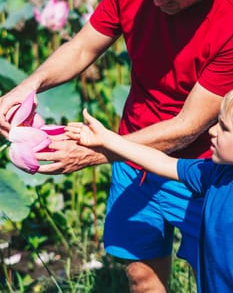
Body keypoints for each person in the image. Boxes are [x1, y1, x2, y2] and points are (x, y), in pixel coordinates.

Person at [0, 0, 233, 291]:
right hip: (130, 145)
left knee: (214, 277)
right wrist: (29, 86)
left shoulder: (230, 17)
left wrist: (98, 150)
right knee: (140, 274)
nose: (155, 0)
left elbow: (189, 125)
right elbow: (82, 48)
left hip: (200, 167)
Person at [65, 89, 233, 293]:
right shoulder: (214, 173)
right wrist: (107, 140)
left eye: (224, 127)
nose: (212, 131)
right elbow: (162, 162)